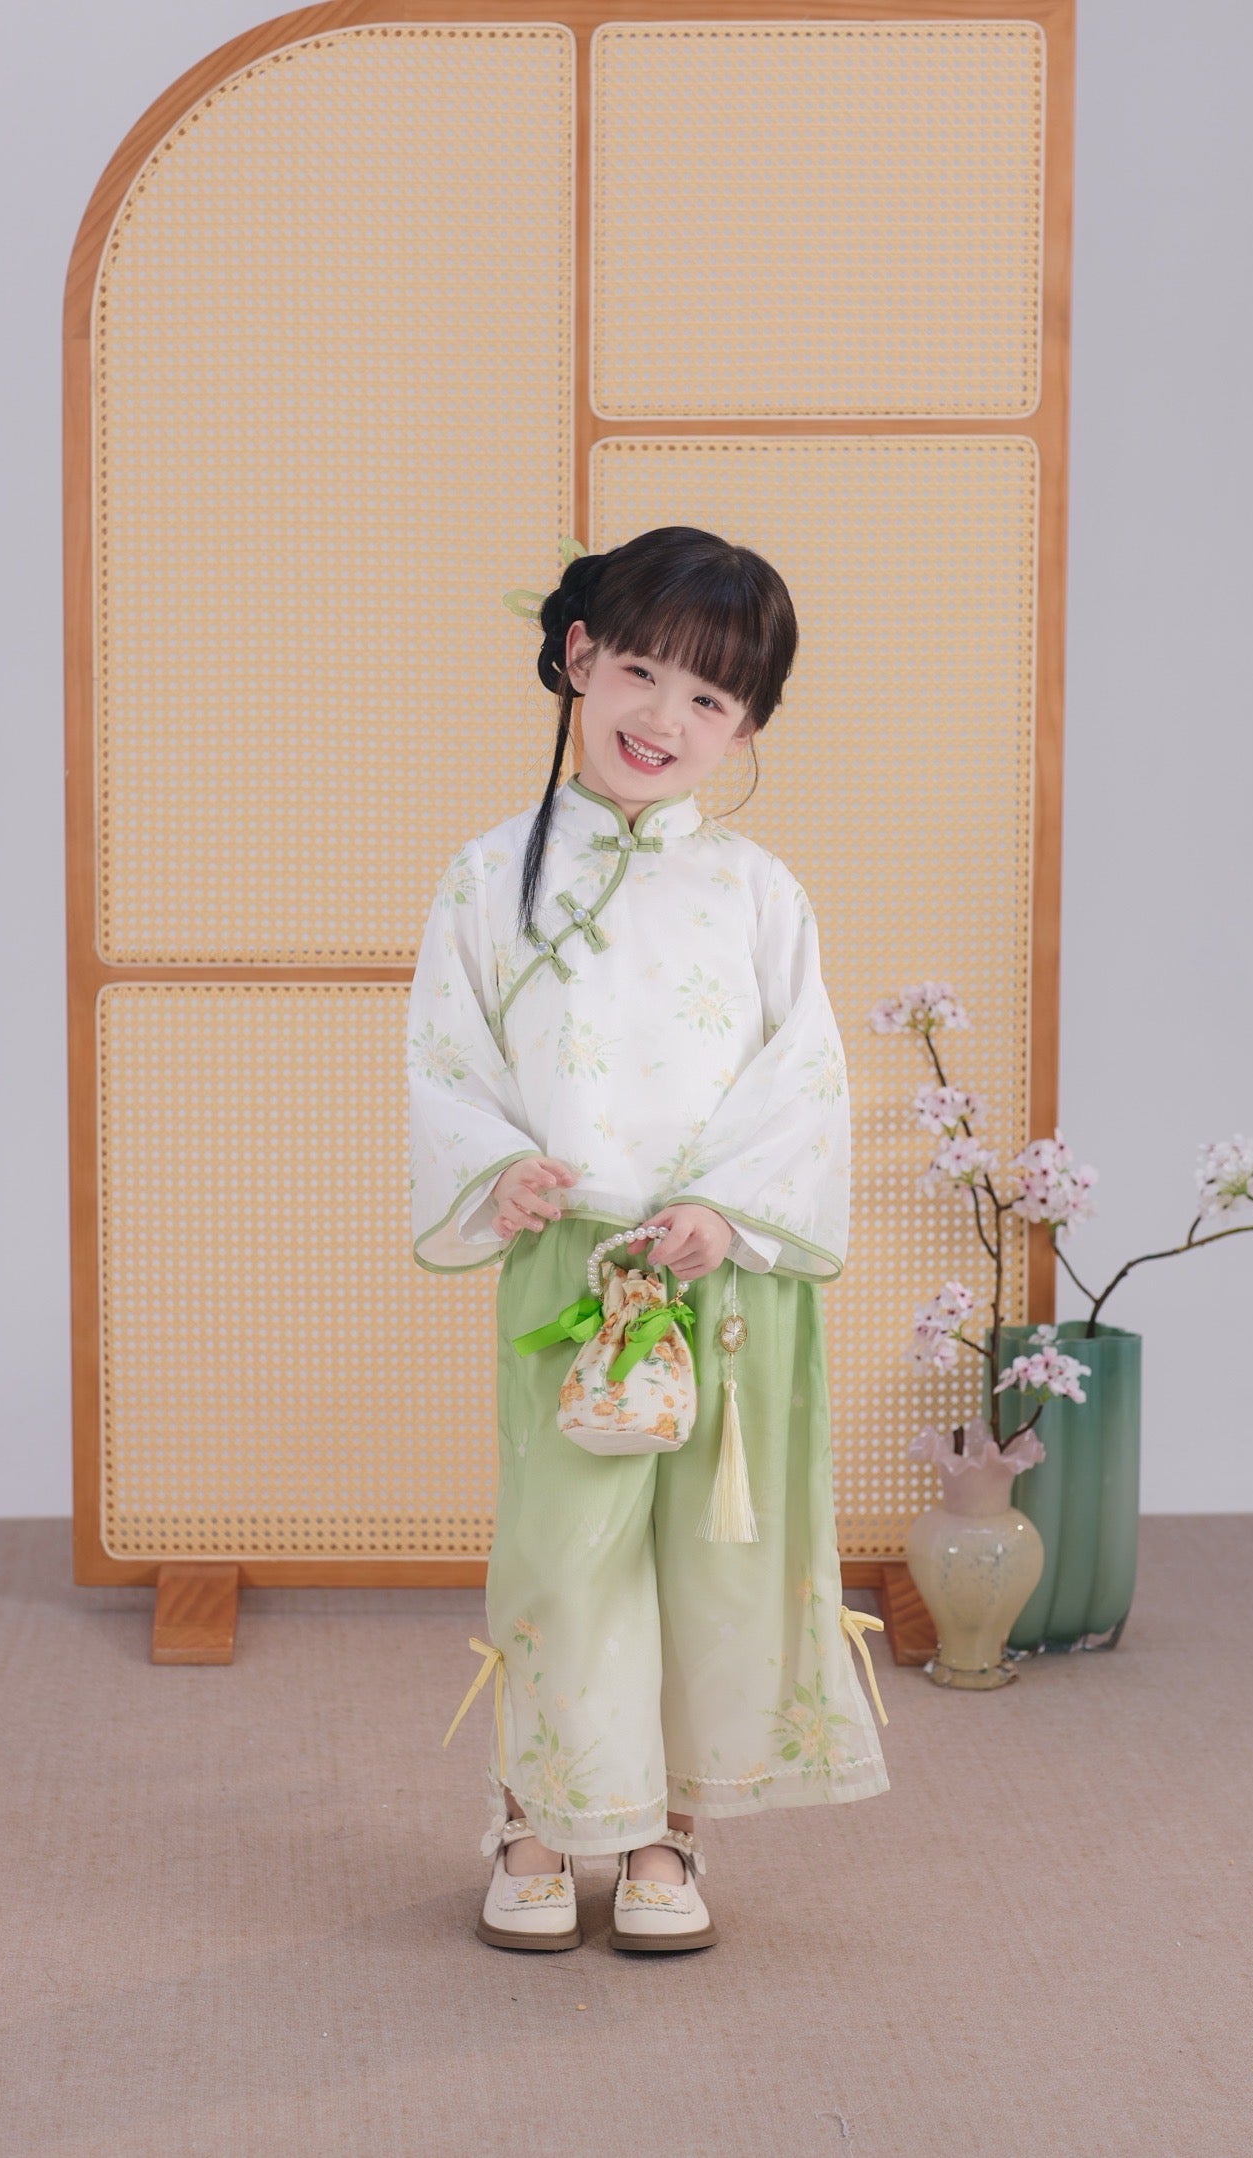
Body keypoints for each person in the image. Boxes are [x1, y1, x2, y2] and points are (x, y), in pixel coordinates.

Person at [408, 525, 890, 1953]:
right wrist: (498, 1170)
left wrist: (726, 1208)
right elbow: (449, 1054)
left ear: (745, 728)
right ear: (575, 659)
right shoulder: (488, 877)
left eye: (710, 701)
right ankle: (542, 1813)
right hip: (577, 1276)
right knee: (568, 1551)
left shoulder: (758, 891)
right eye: (638, 671)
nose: (662, 720)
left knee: (708, 1556)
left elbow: (805, 1078)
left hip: (719, 1270)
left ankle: (672, 1828)